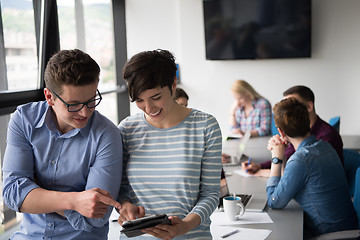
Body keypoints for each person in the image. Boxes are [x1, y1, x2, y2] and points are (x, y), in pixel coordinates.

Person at [2, 49, 123, 239]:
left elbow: (96, 217)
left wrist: (36, 191)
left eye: (91, 101)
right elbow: (11, 193)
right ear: (49, 97)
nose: (85, 113)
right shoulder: (24, 120)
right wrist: (75, 201)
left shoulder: (107, 134)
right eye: (73, 104)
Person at [116, 49, 222, 239]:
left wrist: (184, 226)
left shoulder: (205, 126)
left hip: (190, 235)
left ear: (173, 84)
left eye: (156, 97)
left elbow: (210, 194)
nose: (149, 108)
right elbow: (122, 190)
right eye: (139, 100)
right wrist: (124, 207)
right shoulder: (126, 129)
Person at [266, 97, 357, 238]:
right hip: (346, 226)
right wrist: (282, 156)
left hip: (328, 233)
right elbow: (287, 184)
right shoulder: (325, 146)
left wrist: (276, 159)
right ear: (307, 121)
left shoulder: (301, 160)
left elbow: (275, 202)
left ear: (281, 132)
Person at [243, 85, 344, 174]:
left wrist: (262, 172)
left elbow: (297, 173)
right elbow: (288, 156)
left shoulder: (326, 136)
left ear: (309, 106)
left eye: (293, 104)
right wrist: (260, 166)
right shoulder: (297, 131)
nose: (288, 110)